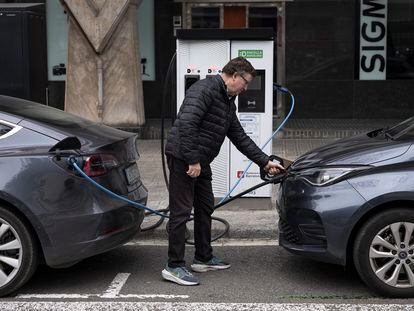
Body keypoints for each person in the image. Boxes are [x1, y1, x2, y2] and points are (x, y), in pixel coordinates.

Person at [162, 57, 284, 286]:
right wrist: (193, 160)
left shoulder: (228, 100)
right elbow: (187, 124)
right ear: (234, 76)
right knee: (181, 211)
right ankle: (174, 266)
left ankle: (203, 258)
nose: (246, 88)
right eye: (245, 82)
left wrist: (264, 161)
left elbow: (238, 135)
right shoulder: (204, 90)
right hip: (184, 158)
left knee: (205, 206)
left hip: (200, 160)